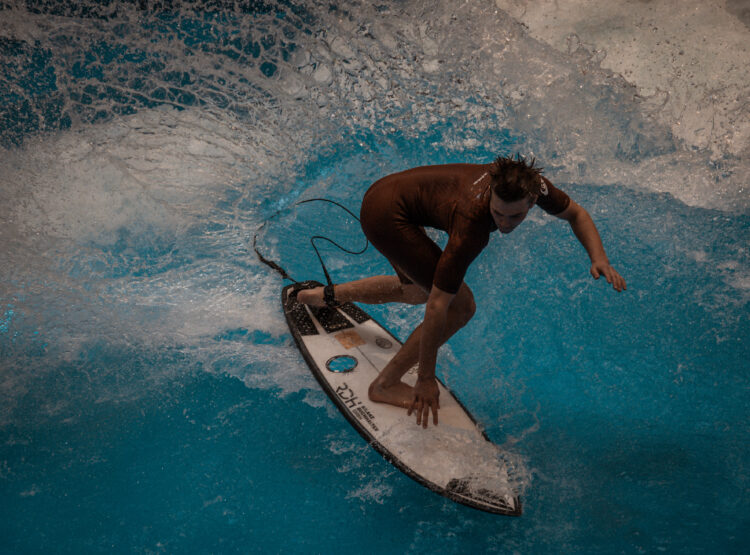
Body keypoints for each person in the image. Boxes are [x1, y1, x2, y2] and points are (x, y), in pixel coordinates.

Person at [297, 155, 626, 428]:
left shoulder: (534, 185)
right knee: (461, 307)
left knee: (414, 291)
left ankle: (323, 297)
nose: (506, 224)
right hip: (386, 214)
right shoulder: (472, 224)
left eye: (517, 215)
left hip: (388, 193)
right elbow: (440, 308)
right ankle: (385, 385)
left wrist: (599, 258)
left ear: (532, 200)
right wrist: (426, 377)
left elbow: (576, 213)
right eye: (498, 214)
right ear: (491, 199)